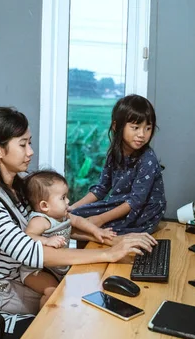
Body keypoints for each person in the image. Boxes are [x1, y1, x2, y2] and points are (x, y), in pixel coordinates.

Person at [0, 106, 157, 339]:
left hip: (21, 289)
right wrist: (108, 253)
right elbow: (30, 251)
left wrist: (112, 240)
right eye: (23, 145)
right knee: (72, 338)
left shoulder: (18, 185)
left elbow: (54, 226)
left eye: (29, 143)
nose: (30, 152)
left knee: (93, 310)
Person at [69, 94, 166, 235]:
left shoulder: (147, 159)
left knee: (87, 226)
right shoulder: (114, 153)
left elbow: (136, 201)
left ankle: (98, 249)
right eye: (136, 127)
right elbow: (101, 189)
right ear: (116, 126)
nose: (142, 134)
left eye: (148, 128)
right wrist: (73, 207)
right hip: (119, 204)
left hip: (143, 212)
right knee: (71, 218)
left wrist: (100, 219)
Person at [20, 170, 116, 308]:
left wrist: (97, 231)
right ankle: (42, 321)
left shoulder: (63, 216)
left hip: (56, 266)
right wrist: (46, 241)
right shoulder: (40, 220)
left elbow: (79, 221)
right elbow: (28, 236)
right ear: (44, 206)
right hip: (36, 271)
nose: (68, 201)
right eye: (63, 198)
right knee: (52, 291)